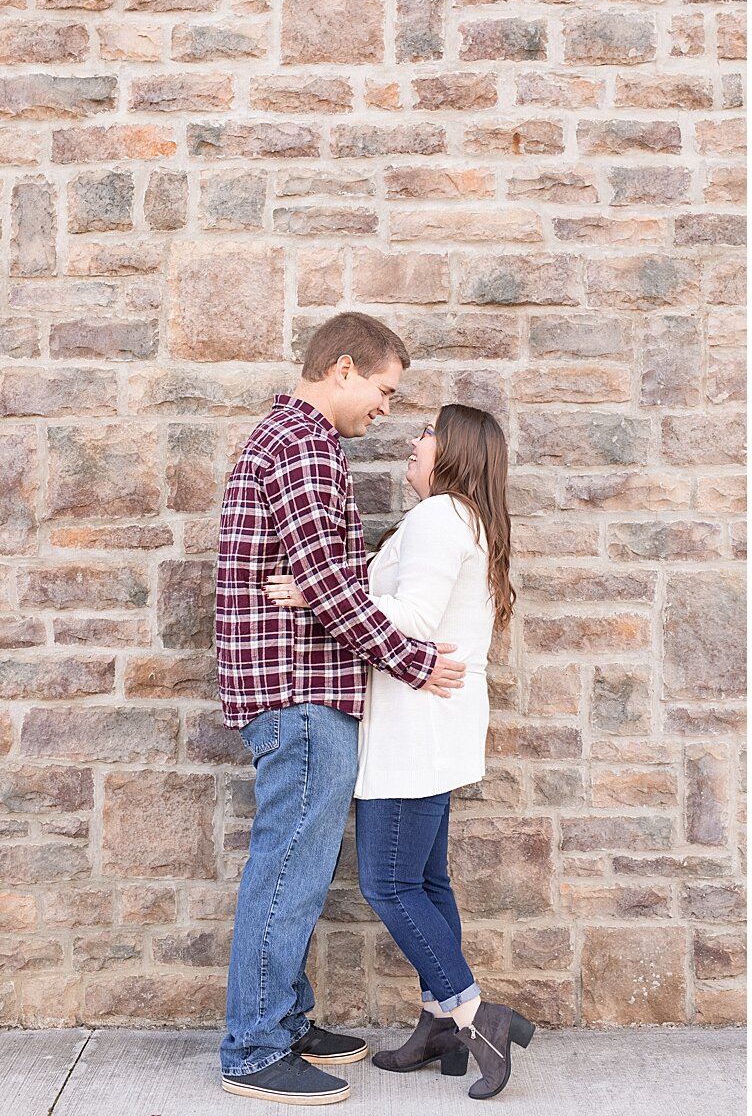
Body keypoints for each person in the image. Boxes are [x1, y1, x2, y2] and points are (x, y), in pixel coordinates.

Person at [216, 312, 467, 1106]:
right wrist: (416, 663)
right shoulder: (303, 447)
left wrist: (328, 585)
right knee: (288, 867)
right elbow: (330, 587)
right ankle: (254, 1048)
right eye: (385, 391)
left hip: (301, 689)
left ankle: (284, 1022)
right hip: (298, 693)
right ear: (345, 368)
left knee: (301, 867)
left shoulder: (297, 443)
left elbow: (323, 576)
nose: (386, 410)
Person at [267, 404, 535, 1100]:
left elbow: (411, 618)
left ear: (453, 453)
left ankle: (475, 1015)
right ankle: (436, 1027)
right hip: (437, 724)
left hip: (415, 728)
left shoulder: (440, 516)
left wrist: (315, 596)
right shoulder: (462, 520)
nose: (413, 442)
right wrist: (337, 591)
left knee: (388, 884)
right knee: (427, 880)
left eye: (426, 433)